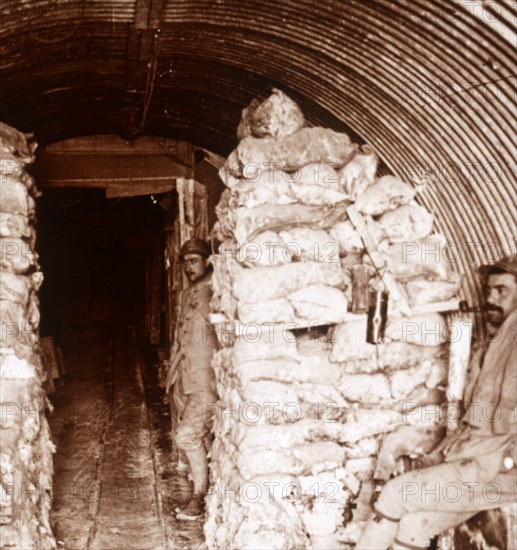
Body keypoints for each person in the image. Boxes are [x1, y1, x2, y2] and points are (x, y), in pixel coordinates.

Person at [356, 252, 517, 549]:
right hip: (480, 465)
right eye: (489, 290)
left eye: (502, 290)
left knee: (395, 494)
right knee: (415, 525)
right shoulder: (499, 340)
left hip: (498, 472)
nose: (491, 297)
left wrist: (510, 459)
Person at [165, 237, 219, 521]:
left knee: (188, 436)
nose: (188, 267)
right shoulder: (186, 295)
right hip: (186, 380)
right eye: (185, 262)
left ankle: (199, 498)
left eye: (194, 261)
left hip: (207, 382)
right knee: (197, 438)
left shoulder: (218, 290)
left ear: (207, 261)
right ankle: (206, 494)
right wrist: (172, 375)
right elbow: (178, 337)